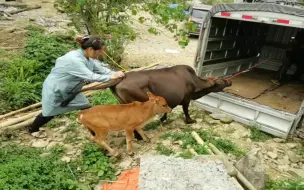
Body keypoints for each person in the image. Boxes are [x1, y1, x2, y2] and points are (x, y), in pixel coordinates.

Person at [26, 35, 125, 133]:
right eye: (99, 51)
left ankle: (95, 132)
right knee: (49, 113)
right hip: (56, 89)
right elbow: (90, 76)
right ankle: (32, 129)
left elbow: (100, 69)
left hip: (72, 89)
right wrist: (111, 77)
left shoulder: (87, 58)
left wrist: (114, 73)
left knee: (86, 107)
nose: (100, 54)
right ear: (90, 49)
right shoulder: (74, 60)